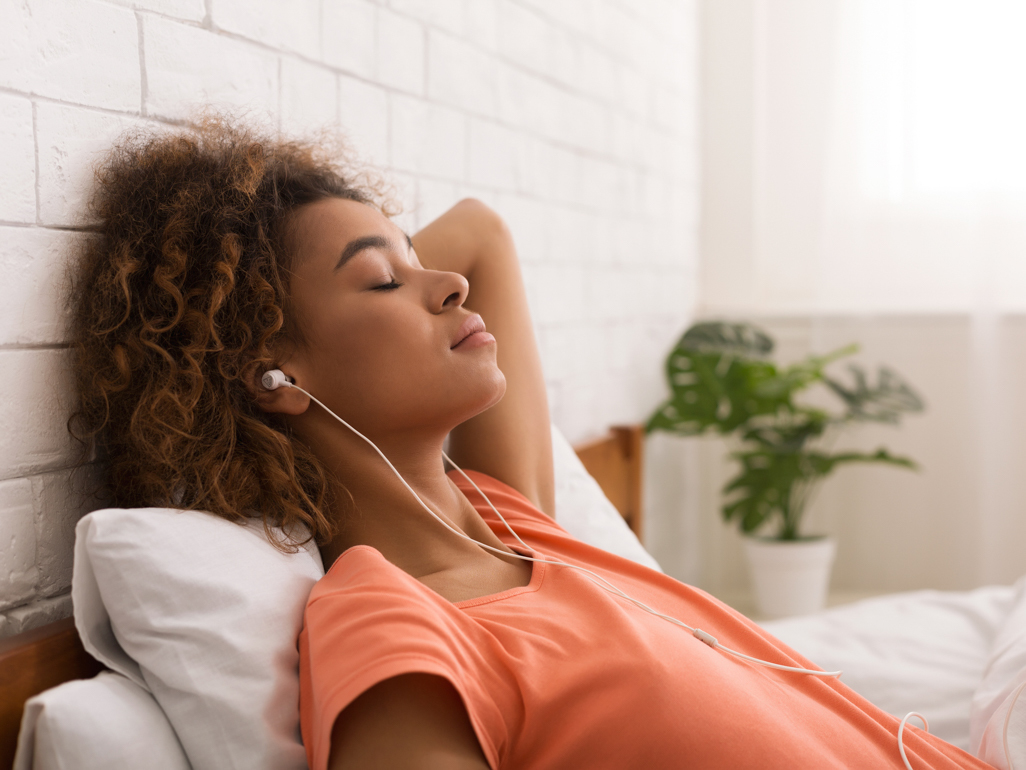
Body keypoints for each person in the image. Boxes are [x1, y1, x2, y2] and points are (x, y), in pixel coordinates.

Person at [71, 119, 992, 770]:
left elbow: (481, 233)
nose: (449, 286)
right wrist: (239, 341)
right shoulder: (396, 628)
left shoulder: (505, 517)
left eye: (414, 264)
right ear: (275, 375)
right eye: (384, 280)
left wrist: (352, 288)